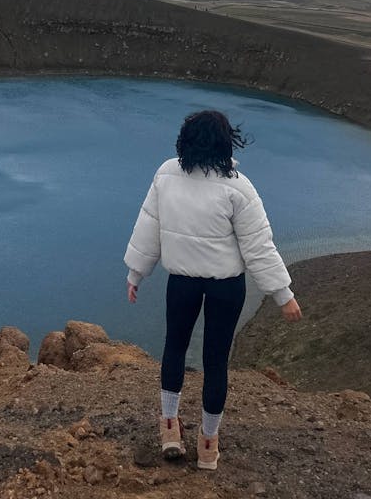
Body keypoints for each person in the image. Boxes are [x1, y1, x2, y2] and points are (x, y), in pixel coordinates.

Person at [124, 109, 302, 471]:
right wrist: (283, 295)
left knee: (174, 348)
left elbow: (149, 226)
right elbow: (259, 247)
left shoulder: (166, 174)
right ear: (226, 142)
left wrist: (136, 273)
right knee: (215, 362)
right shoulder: (238, 187)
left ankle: (170, 428)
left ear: (185, 141)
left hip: (182, 283)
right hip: (226, 287)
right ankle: (208, 446)